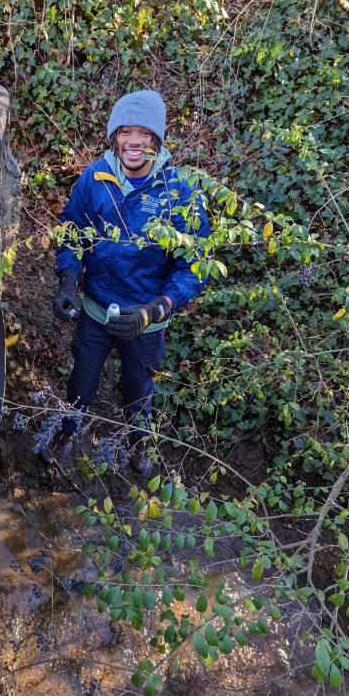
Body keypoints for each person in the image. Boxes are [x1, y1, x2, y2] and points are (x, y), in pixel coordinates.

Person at [48, 89, 211, 473]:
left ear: (157, 140)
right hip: (96, 309)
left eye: (144, 134)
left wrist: (159, 307)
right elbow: (72, 230)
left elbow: (197, 264)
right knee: (82, 378)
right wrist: (69, 279)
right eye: (126, 131)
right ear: (114, 137)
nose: (134, 141)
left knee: (139, 386)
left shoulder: (180, 191)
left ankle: (140, 444)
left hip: (146, 317)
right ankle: (66, 432)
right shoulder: (95, 178)